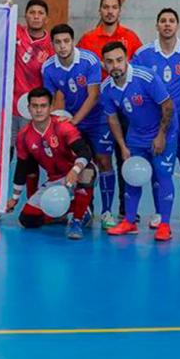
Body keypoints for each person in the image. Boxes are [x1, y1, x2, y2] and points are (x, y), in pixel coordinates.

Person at [131, 8, 180, 232]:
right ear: (157, 26)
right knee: (160, 169)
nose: (167, 24)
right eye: (163, 21)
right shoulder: (143, 54)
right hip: (158, 122)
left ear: (178, 25)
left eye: (171, 21)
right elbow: (136, 83)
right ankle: (158, 213)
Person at [0, 0, 52, 224]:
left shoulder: (51, 46)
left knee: (30, 158)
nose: (36, 16)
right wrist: (5, 7)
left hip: (35, 113)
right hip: (10, 109)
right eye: (32, 12)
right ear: (26, 16)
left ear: (46, 18)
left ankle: (31, 204)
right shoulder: (17, 33)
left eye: (41, 13)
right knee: (6, 156)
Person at [101, 41, 178, 241]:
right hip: (136, 134)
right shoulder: (107, 88)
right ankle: (129, 221)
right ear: (104, 65)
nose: (115, 65)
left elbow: (168, 106)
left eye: (119, 60)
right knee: (132, 176)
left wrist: (161, 135)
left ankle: (165, 225)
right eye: (110, 62)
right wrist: (123, 146)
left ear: (127, 60)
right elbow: (112, 118)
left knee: (162, 174)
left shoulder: (146, 77)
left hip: (164, 130)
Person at [41, 24, 115, 229]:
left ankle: (108, 211)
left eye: (66, 41)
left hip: (98, 119)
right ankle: (84, 211)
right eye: (58, 42)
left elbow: (94, 95)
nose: (63, 46)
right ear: (52, 44)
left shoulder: (89, 60)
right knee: (80, 165)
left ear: (73, 41)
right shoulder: (48, 67)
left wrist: (73, 121)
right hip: (73, 120)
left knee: (103, 161)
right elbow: (48, 98)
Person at [77, 0, 144, 220]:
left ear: (119, 10)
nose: (109, 11)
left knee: (124, 156)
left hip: (126, 110)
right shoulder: (87, 39)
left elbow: (139, 70)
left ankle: (127, 211)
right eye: (105, 7)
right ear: (100, 11)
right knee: (96, 160)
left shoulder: (131, 38)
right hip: (96, 111)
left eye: (114, 7)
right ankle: (90, 208)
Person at [7, 87, 96, 240]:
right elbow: (22, 167)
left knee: (87, 172)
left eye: (43, 106)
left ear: (50, 108)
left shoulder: (62, 127)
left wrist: (74, 170)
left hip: (76, 173)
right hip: (55, 179)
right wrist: (14, 198)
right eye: (35, 106)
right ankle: (66, 211)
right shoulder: (24, 136)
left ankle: (77, 220)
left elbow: (85, 152)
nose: (39, 110)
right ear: (29, 108)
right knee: (27, 219)